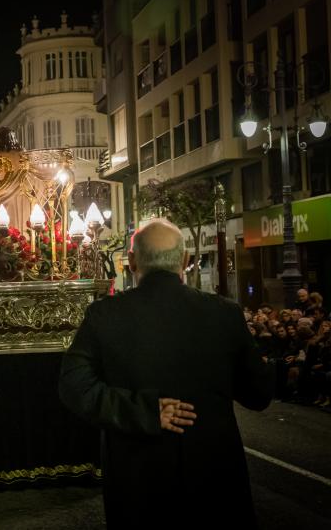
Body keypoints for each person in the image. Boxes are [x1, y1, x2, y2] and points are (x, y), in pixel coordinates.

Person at [58, 218, 274, 529]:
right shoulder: (224, 313)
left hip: (138, 480)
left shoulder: (104, 315)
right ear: (186, 262)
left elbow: (73, 386)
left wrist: (143, 410)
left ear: (132, 262)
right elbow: (258, 394)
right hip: (214, 475)